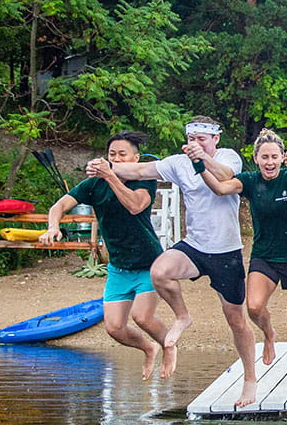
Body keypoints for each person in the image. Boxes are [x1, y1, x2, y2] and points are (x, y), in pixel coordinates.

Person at [108, 116, 256, 404]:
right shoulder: (178, 163)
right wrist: (106, 168)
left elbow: (226, 177)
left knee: (236, 321)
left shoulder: (228, 156)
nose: (196, 144)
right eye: (192, 139)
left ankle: (249, 379)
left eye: (202, 139)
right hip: (195, 245)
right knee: (160, 271)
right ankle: (182, 316)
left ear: (215, 139)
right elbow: (139, 170)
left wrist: (203, 159)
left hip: (226, 252)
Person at [198, 129, 287, 401]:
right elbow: (222, 188)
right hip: (265, 254)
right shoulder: (249, 180)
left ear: (282, 158)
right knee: (254, 306)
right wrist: (199, 165)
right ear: (256, 159)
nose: (269, 162)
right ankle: (269, 333)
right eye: (264, 157)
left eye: (274, 157)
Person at [40, 131, 171, 380]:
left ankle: (168, 347)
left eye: (123, 154)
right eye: (112, 154)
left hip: (148, 263)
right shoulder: (93, 184)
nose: (117, 158)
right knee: (114, 329)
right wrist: (53, 226)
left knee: (142, 317)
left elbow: (135, 206)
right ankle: (148, 348)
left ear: (136, 158)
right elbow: (58, 206)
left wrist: (111, 175)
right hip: (119, 267)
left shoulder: (145, 180)